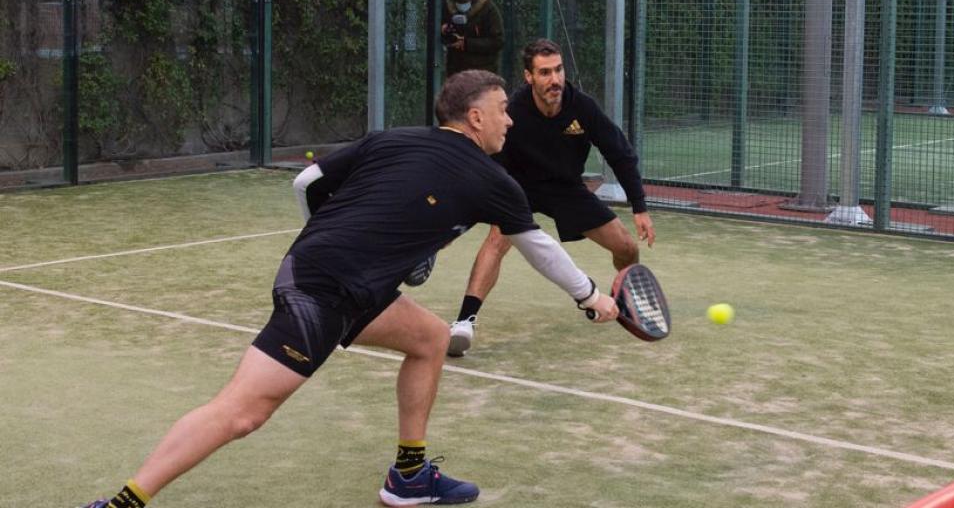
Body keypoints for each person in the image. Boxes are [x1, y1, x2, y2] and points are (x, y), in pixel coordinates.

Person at [79, 70, 618, 508]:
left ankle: (408, 476)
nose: (510, 120)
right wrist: (589, 296)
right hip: (325, 291)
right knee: (242, 413)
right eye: (503, 109)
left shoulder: (391, 139)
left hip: (337, 278)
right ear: (475, 117)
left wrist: (331, 238)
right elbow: (539, 247)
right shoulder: (495, 181)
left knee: (430, 339)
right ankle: (122, 504)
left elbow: (307, 184)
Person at [447, 39, 656, 357]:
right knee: (496, 240)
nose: (554, 79)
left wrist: (639, 206)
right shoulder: (513, 111)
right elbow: (490, 154)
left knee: (627, 247)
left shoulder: (581, 107)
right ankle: (464, 322)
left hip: (566, 187)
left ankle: (627, 299)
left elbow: (620, 153)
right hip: (519, 186)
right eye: (544, 72)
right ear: (529, 76)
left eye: (558, 70)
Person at [442, 0, 504, 76]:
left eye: (464, 1)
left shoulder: (488, 10)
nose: (461, 5)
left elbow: (498, 41)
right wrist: (444, 30)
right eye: (458, 2)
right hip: (456, 72)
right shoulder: (449, 8)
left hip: (482, 73)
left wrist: (467, 44)